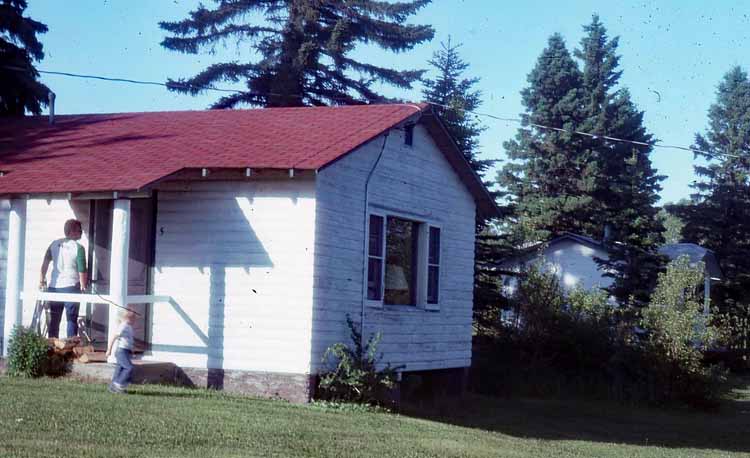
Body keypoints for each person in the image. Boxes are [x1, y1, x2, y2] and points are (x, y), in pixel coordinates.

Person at [39, 219, 88, 339]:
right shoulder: (78, 247)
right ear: (72, 231)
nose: (81, 232)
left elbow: (45, 263)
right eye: (79, 230)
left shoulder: (54, 244)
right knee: (71, 319)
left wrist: (41, 280)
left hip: (54, 287)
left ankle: (51, 347)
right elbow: (82, 269)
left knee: (54, 319)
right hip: (71, 286)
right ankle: (71, 348)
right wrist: (83, 285)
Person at [107, 309, 136, 394]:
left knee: (119, 369)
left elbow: (129, 340)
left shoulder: (129, 327)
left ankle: (113, 386)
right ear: (127, 318)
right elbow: (114, 337)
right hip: (121, 351)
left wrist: (132, 350)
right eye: (133, 318)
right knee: (129, 367)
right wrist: (109, 350)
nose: (135, 320)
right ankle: (118, 385)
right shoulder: (123, 326)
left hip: (126, 351)